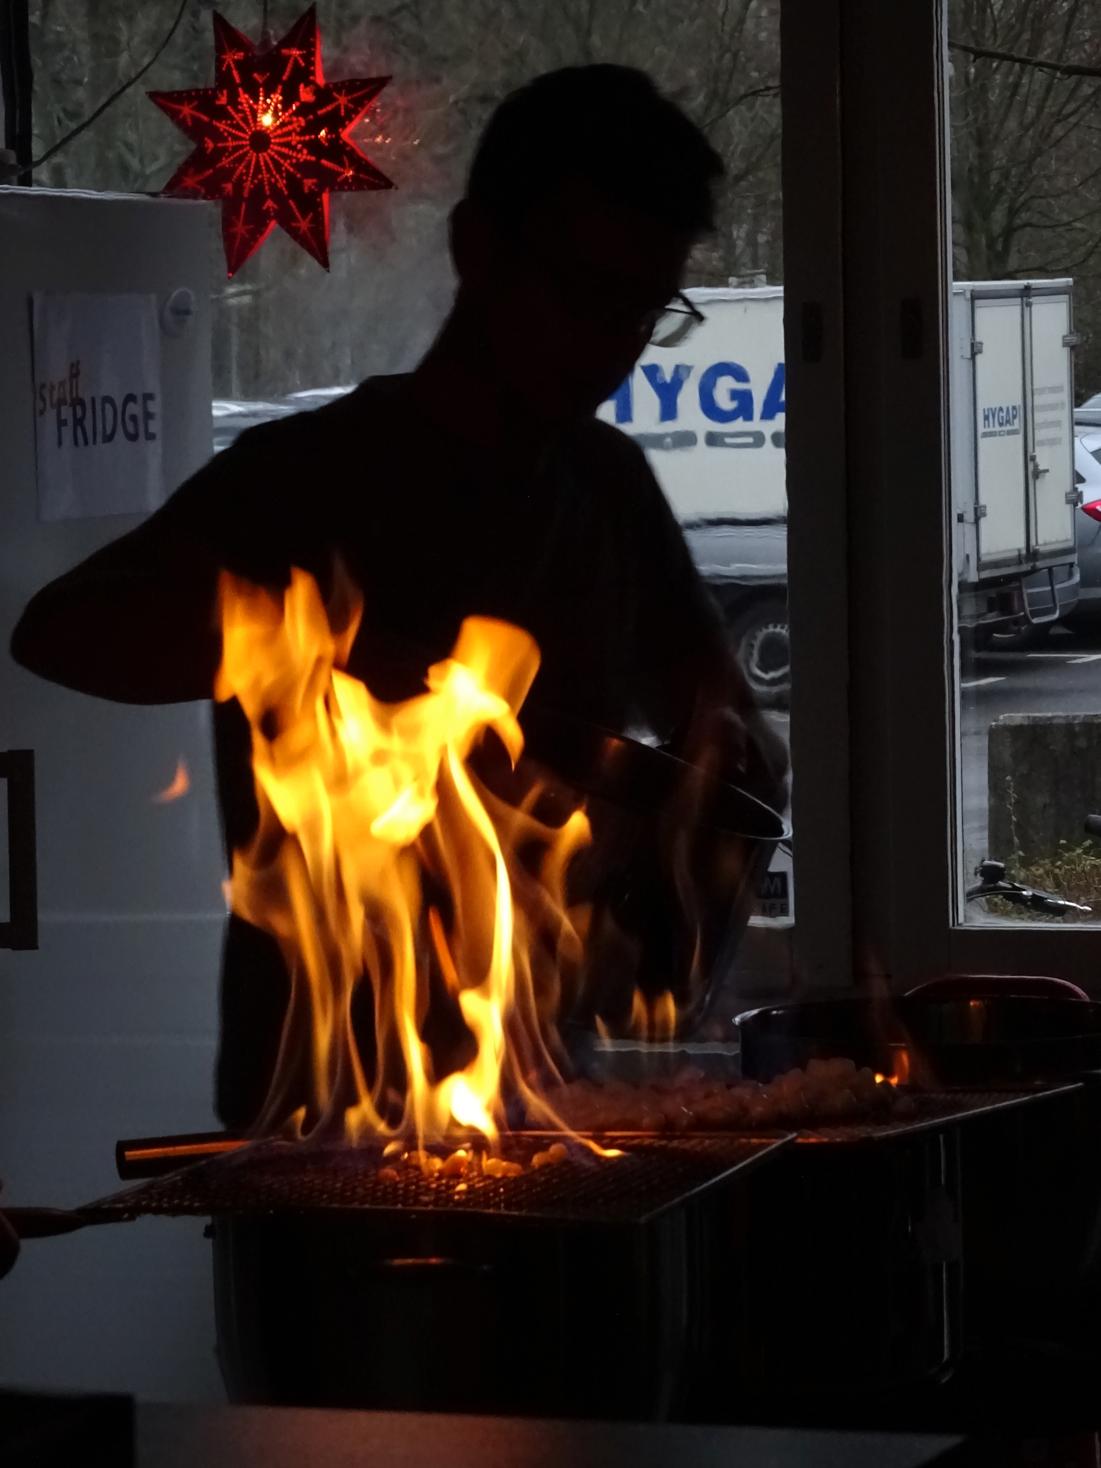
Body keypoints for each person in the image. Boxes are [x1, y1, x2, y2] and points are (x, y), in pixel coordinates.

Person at [11, 64, 787, 1130]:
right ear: (478, 250)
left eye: (645, 311)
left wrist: (730, 747)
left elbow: (713, 714)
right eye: (585, 294)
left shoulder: (607, 490)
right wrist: (308, 639)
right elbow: (61, 635)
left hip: (539, 1105)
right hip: (319, 1119)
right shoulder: (307, 479)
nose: (611, 345)